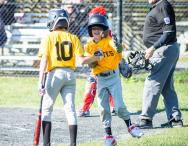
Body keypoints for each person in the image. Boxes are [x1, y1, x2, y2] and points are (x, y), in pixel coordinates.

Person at [82, 14, 143, 145]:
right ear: (90, 31)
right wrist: (94, 59)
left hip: (113, 77)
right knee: (103, 109)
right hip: (100, 79)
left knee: (119, 106)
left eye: (99, 29)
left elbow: (118, 49)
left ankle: (131, 126)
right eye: (94, 29)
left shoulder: (109, 40)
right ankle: (109, 136)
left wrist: (119, 46)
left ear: (104, 30)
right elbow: (88, 63)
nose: (96, 31)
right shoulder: (89, 46)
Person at [37, 8, 94, 146]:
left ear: (52, 21)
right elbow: (81, 60)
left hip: (54, 75)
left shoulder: (48, 37)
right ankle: (73, 144)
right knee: (70, 109)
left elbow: (44, 60)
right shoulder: (73, 37)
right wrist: (96, 57)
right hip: (70, 75)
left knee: (47, 109)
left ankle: (46, 143)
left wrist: (40, 81)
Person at [138, 0, 183, 128]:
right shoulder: (157, 6)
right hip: (166, 49)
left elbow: (169, 32)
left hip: (164, 49)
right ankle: (175, 119)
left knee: (152, 82)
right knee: (167, 87)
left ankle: (146, 119)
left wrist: (153, 48)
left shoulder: (163, 5)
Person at [78, 6, 116, 117]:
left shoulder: (107, 33)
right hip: (98, 64)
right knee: (102, 85)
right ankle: (114, 107)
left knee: (95, 84)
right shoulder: (98, 33)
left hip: (106, 65)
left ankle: (85, 109)